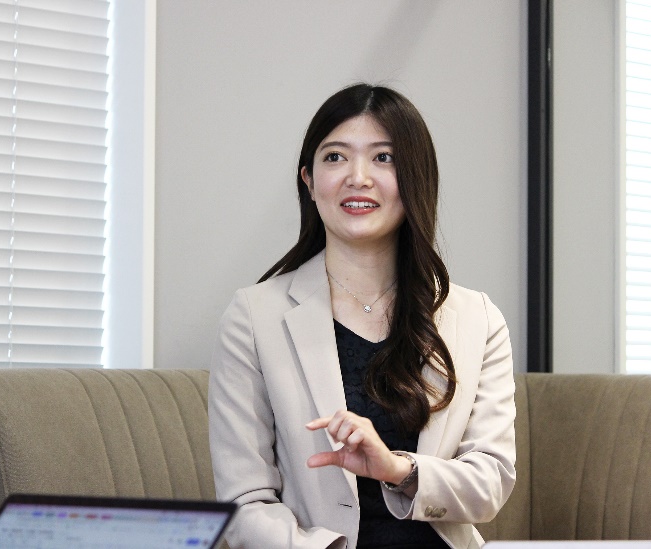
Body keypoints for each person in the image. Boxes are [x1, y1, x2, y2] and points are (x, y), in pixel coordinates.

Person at [208, 83, 515, 549]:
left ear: (415, 179)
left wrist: (398, 470)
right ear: (309, 181)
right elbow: (245, 502)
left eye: (383, 158)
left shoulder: (477, 319)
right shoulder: (253, 317)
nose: (358, 177)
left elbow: (489, 484)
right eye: (335, 157)